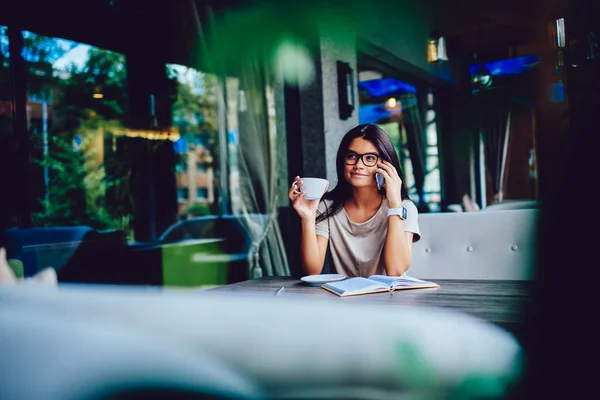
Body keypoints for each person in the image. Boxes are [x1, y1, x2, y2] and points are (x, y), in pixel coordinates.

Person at [288, 123, 420, 278]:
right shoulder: (326, 207)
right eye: (352, 156)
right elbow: (312, 270)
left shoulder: (404, 208)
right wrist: (307, 218)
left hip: (391, 298)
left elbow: (395, 270)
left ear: (386, 165)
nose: (358, 165)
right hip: (345, 298)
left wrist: (395, 205)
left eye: (370, 158)